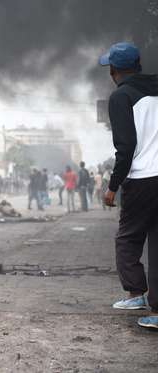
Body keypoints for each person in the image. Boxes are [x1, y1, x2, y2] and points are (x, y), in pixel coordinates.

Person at [100, 42, 158, 329]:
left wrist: (113, 186)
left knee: (128, 239)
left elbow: (126, 147)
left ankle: (137, 293)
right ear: (138, 65)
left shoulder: (120, 97)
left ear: (114, 70)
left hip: (143, 179)